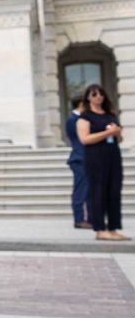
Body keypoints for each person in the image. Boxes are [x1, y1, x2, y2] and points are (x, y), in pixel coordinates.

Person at [77, 84, 125, 241]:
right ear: (88, 98)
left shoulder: (110, 115)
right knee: (98, 192)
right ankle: (100, 228)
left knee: (114, 192)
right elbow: (85, 139)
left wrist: (117, 133)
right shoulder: (85, 117)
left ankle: (113, 227)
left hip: (113, 156)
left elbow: (119, 138)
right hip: (95, 158)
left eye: (101, 94)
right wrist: (108, 132)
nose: (99, 97)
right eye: (94, 94)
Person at [66, 91, 91, 229]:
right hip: (79, 159)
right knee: (80, 190)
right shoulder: (72, 120)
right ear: (81, 104)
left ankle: (92, 218)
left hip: (88, 158)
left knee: (90, 190)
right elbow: (77, 139)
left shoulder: (83, 119)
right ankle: (79, 219)